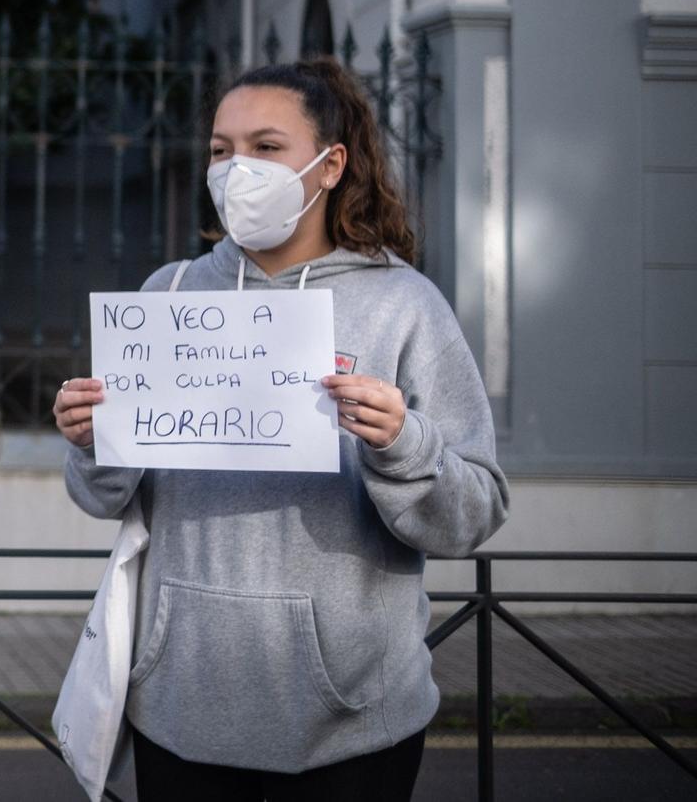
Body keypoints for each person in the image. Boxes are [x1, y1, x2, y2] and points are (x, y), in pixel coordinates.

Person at [53, 57, 508, 801]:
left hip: (353, 725)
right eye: (220, 149)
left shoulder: (406, 305)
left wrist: (403, 441)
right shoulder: (166, 295)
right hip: (180, 710)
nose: (238, 170)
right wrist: (89, 441)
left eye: (266, 147)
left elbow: (475, 511)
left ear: (330, 166)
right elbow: (105, 497)